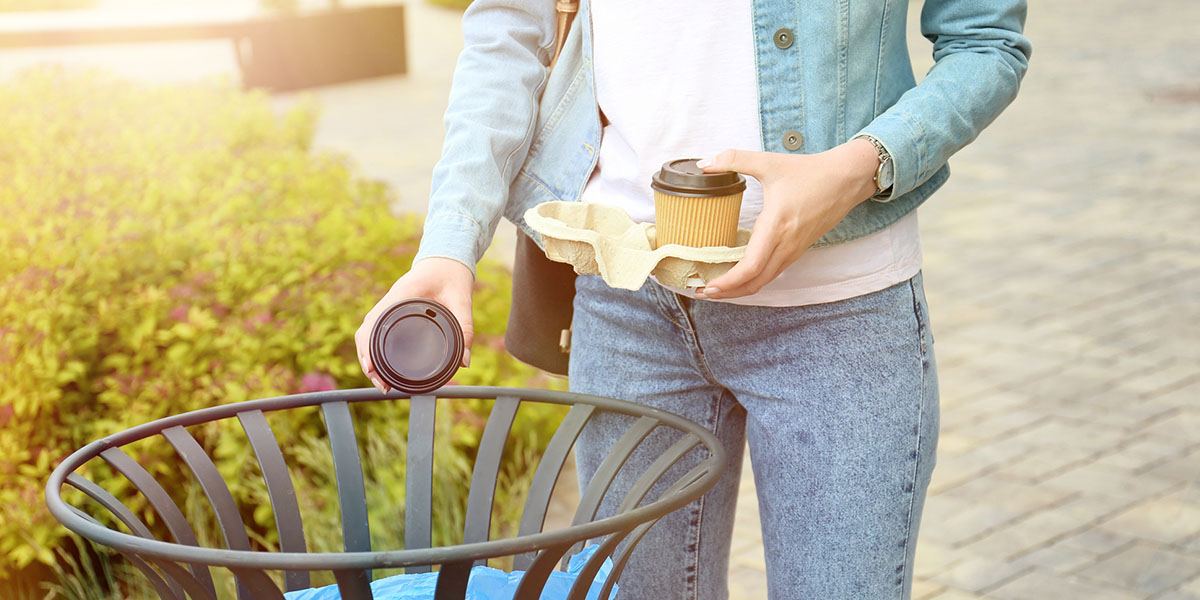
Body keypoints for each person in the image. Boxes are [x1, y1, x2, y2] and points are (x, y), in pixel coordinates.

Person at [357, 0, 1031, 597]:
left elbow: (984, 41)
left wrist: (858, 167)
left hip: (837, 314)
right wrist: (448, 245)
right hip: (624, 303)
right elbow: (509, 32)